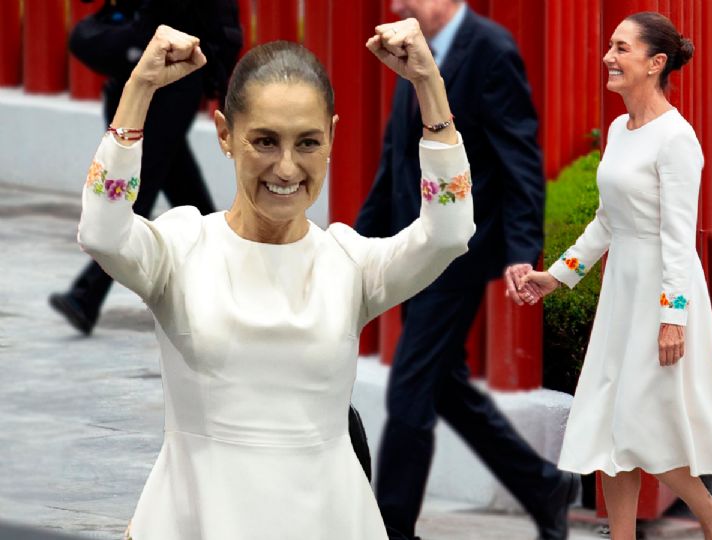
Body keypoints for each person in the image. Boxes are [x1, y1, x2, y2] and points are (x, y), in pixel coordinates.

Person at [78, 20, 474, 539]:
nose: (286, 168)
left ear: (332, 135)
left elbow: (448, 233)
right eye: (264, 141)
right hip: (193, 520)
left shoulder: (348, 263)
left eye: (308, 143)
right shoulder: (181, 248)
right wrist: (139, 89)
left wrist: (429, 85)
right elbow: (103, 232)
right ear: (225, 134)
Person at [513, 12, 712, 540]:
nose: (609, 56)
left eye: (622, 48)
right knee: (611, 421)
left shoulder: (677, 139)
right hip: (621, 291)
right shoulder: (619, 129)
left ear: (655, 64)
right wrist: (556, 277)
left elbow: (679, 236)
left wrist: (672, 316)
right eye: (610, 45)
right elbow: (609, 220)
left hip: (661, 293)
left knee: (640, 424)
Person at [354, 1, 579, 539]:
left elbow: (518, 156)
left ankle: (393, 529)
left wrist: (523, 249)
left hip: (459, 252)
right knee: (445, 385)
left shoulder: (492, 50)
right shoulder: (411, 50)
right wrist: (356, 243)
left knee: (409, 386)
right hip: (413, 247)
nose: (398, 5)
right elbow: (395, 159)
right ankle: (545, 486)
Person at [50, 0, 241, 335]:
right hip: (150, 64)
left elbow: (211, 25)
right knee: (181, 184)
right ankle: (234, 269)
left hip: (179, 71)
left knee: (141, 182)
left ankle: (87, 295)